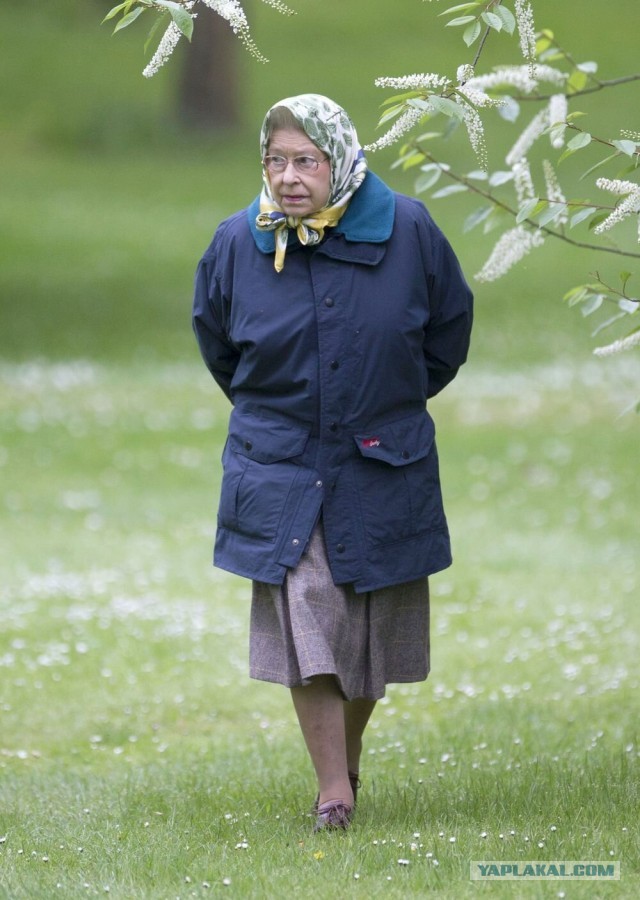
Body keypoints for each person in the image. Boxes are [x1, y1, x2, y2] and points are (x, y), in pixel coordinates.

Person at [192, 93, 473, 832]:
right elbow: (219, 344)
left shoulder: (408, 230)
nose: (288, 177)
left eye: (305, 161)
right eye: (275, 161)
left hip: (382, 460)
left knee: (370, 640)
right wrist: (286, 410)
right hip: (281, 463)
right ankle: (334, 795)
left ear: (339, 160)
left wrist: (382, 402)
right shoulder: (236, 241)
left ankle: (343, 764)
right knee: (310, 625)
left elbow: (447, 332)